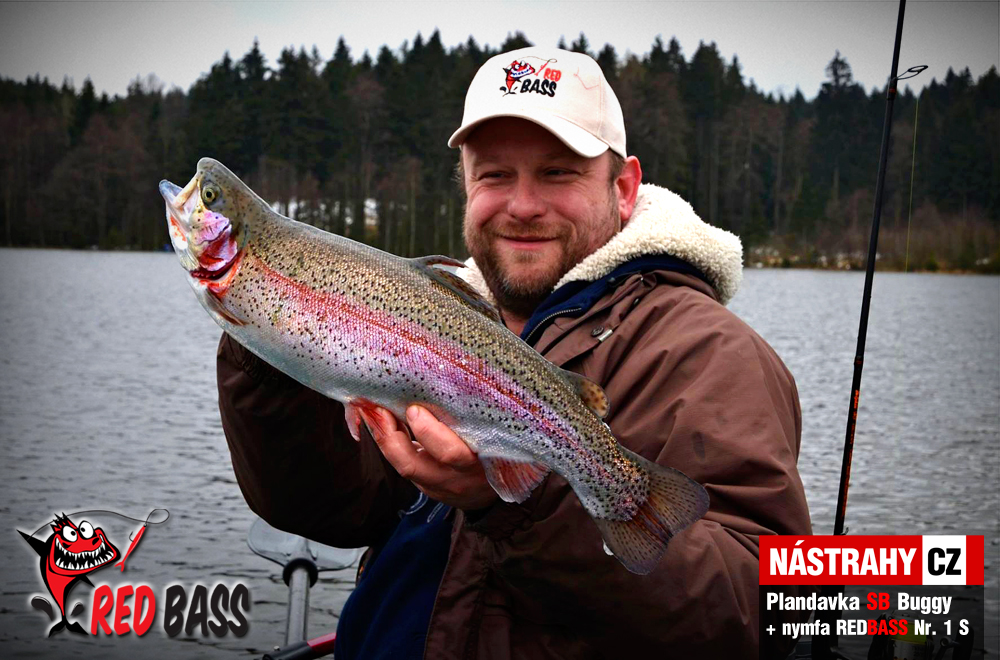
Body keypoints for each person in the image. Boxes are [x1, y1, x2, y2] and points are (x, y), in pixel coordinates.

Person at [217, 47, 811, 658]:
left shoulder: (713, 353)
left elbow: (772, 609)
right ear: (466, 185)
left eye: (557, 173)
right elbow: (333, 510)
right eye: (495, 175)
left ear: (624, 188)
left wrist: (518, 507)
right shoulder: (428, 322)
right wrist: (275, 334)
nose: (523, 205)